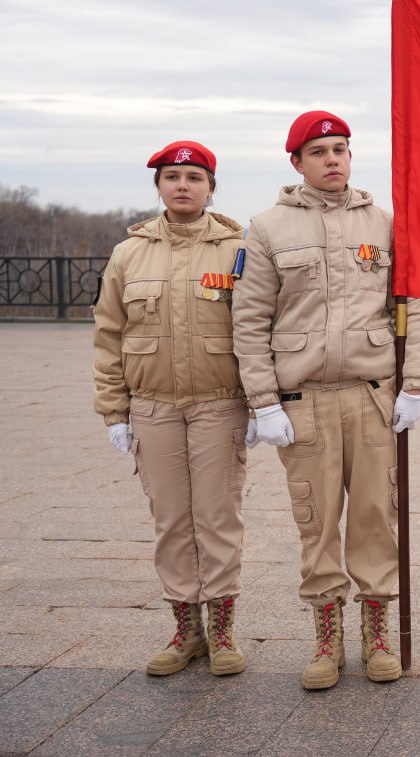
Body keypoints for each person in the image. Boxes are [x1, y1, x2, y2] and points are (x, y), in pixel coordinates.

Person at [232, 111, 420, 690]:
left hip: (372, 397)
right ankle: (326, 640)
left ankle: (376, 636)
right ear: (296, 162)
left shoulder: (385, 222)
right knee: (316, 522)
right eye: (319, 151)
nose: (333, 160)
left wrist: (414, 384)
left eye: (341, 149)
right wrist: (263, 402)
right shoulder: (268, 228)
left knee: (375, 518)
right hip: (304, 401)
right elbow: (250, 321)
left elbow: (411, 308)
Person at [92, 140, 253, 677]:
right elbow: (109, 335)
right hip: (154, 407)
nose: (183, 185)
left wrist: (260, 403)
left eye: (194, 177)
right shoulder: (129, 254)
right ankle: (187, 632)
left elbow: (257, 330)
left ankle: (224, 632)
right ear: (158, 187)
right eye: (172, 177)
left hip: (219, 405)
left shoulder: (239, 250)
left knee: (217, 518)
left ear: (211, 187)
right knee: (171, 522)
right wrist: (115, 412)